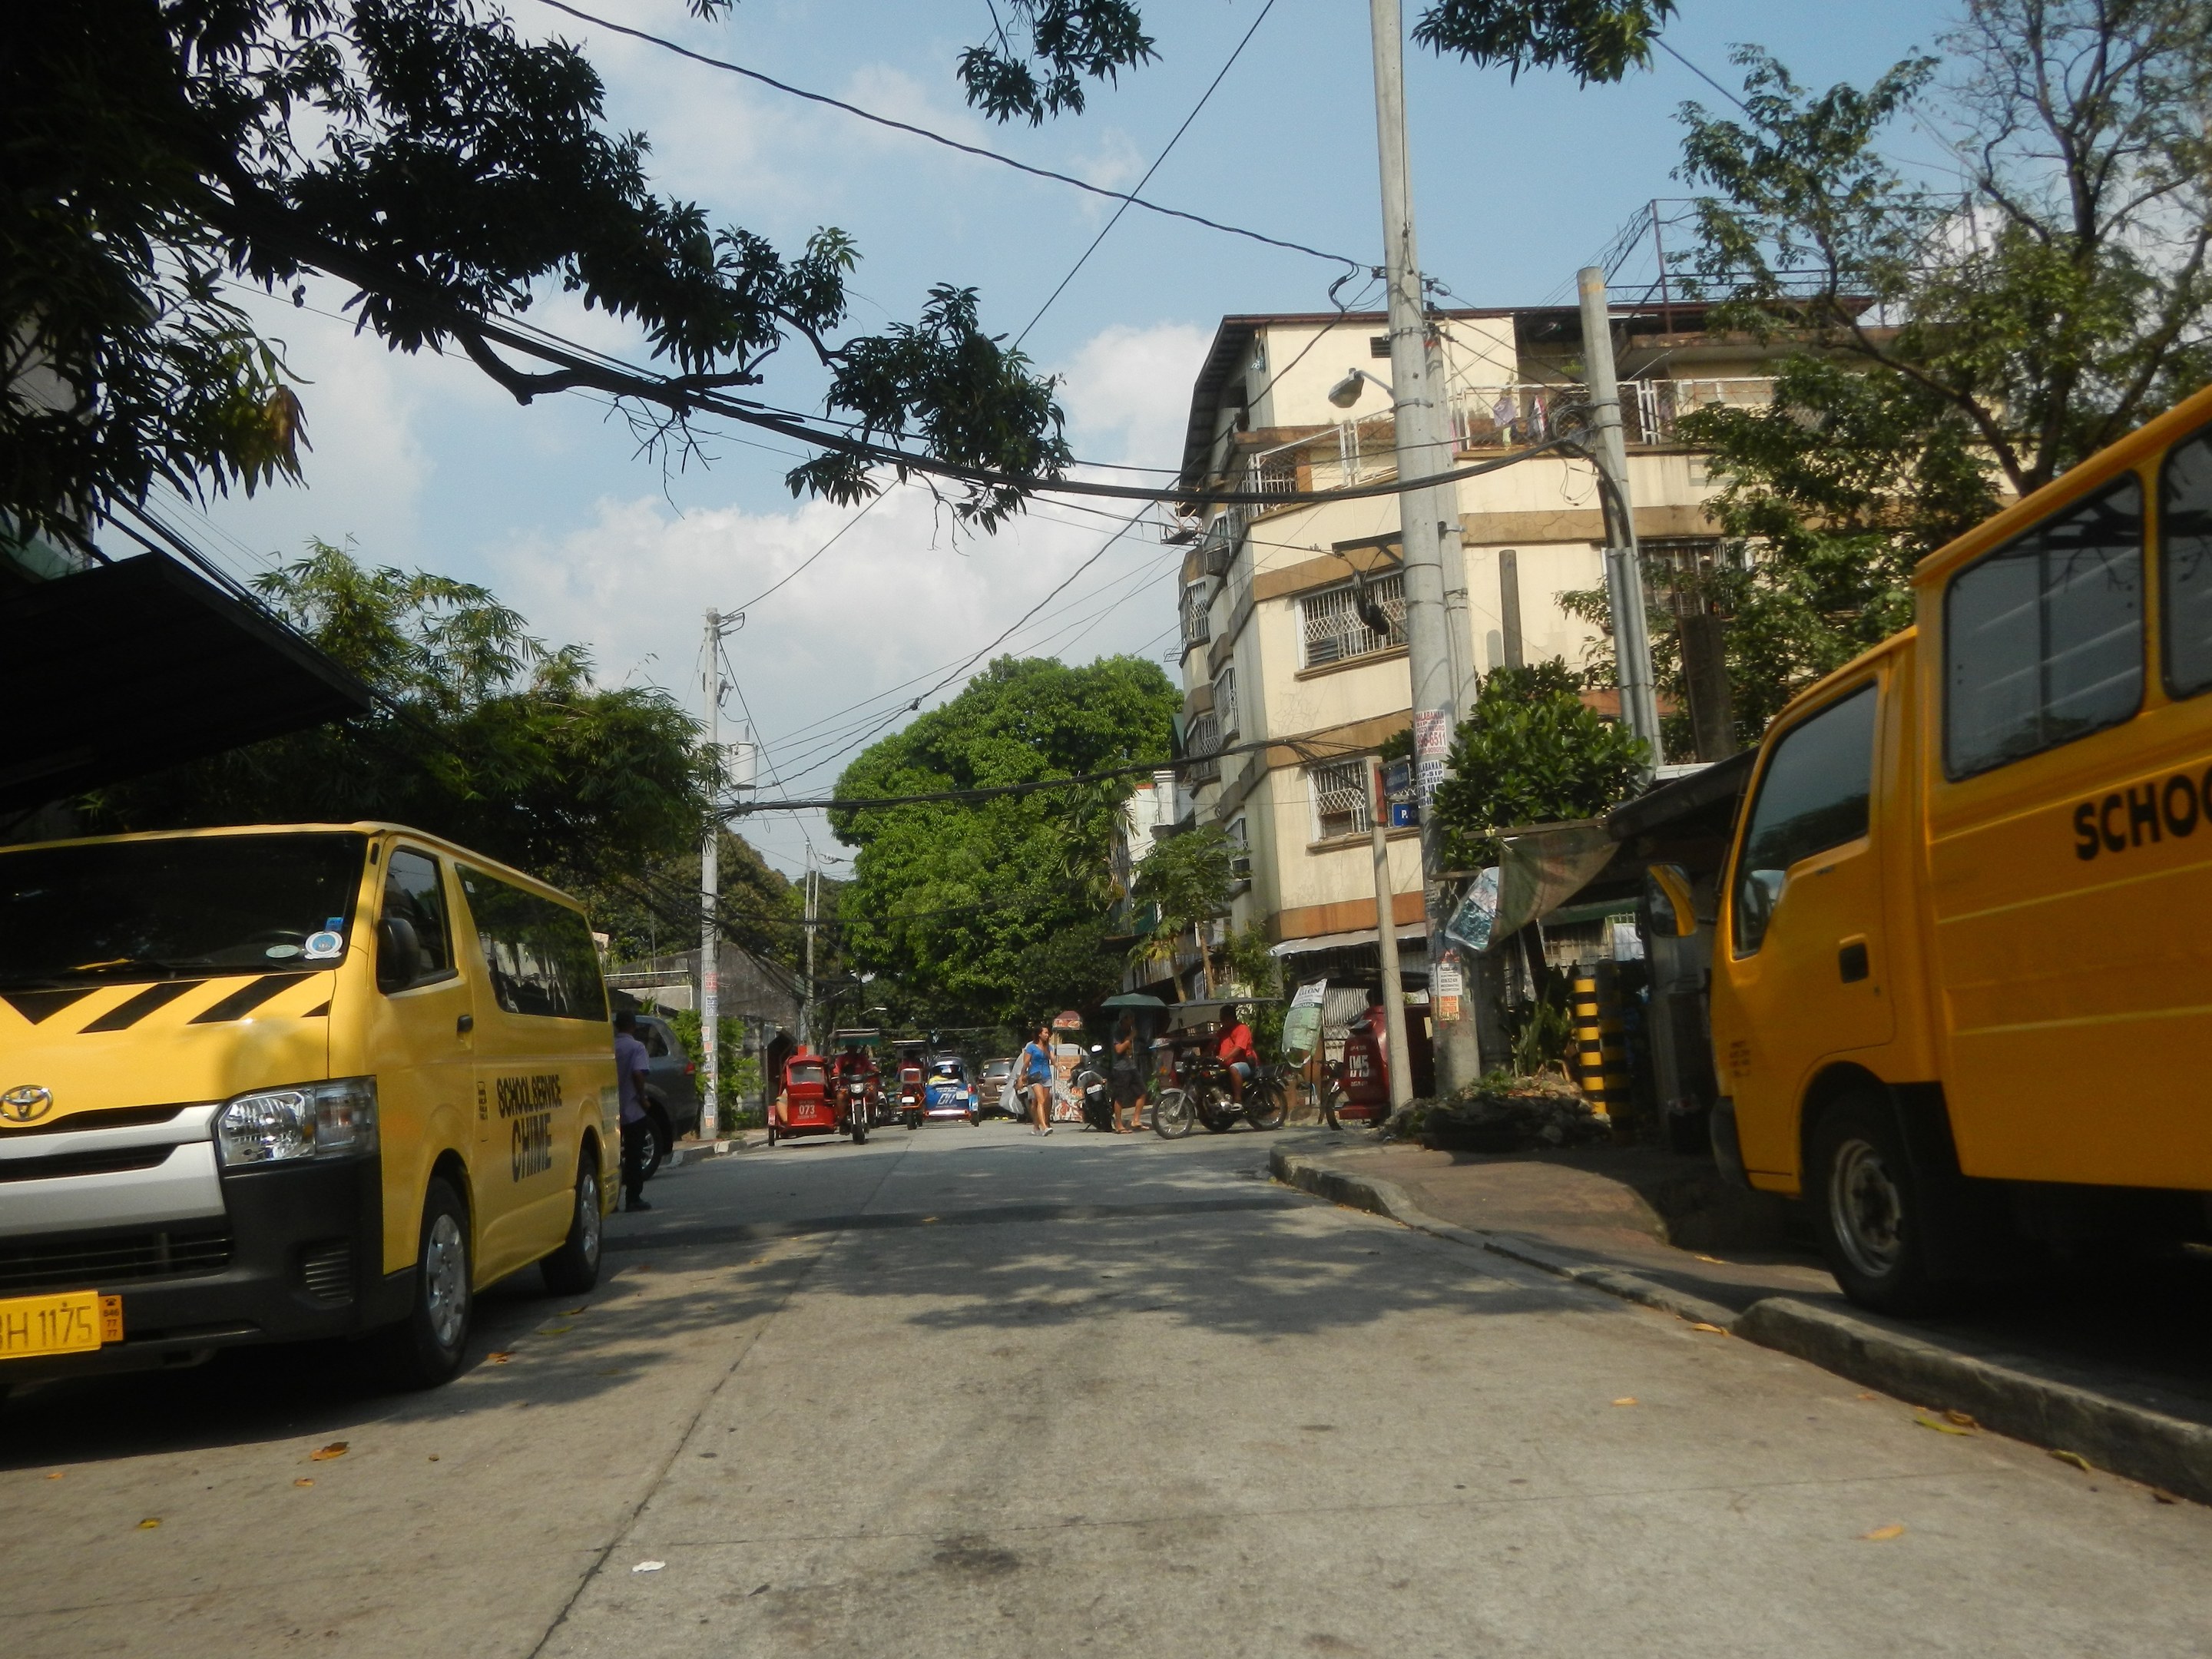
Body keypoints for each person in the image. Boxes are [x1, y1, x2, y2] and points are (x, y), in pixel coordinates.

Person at [613, 1010, 654, 1211]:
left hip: (609, 1110)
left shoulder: (609, 1047)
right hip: (632, 1110)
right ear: (633, 1026)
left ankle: (610, 1201)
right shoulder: (636, 1047)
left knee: (612, 1157)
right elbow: (638, 1073)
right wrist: (642, 1097)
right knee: (633, 1154)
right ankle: (633, 1197)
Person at [1111, 1012, 1147, 1133]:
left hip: (1132, 1067)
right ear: (1124, 1019)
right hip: (1121, 1069)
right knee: (1120, 1097)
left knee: (1142, 1092)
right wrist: (1129, 1039)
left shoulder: (1132, 1030)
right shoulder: (1117, 1032)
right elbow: (1119, 1049)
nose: (1132, 1020)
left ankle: (1136, 1120)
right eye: (1130, 1018)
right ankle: (1119, 1124)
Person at [1217, 1002, 1257, 1104]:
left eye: (1223, 1019)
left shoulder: (1242, 1029)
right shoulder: (1222, 1032)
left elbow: (1238, 1047)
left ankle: (1238, 1100)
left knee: (1234, 1068)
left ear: (1231, 1017)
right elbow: (1213, 1044)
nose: (1221, 1021)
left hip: (1247, 1064)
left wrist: (1225, 1058)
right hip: (1226, 1065)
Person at [1019, 1023, 1055, 1136]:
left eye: (1048, 1033)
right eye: (1045, 1033)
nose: (1047, 1035)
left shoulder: (1049, 1047)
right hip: (1035, 1076)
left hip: (1046, 1076)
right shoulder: (1031, 1047)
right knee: (1040, 1101)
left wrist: (1059, 1066)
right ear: (1039, 1034)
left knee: (1044, 1102)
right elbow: (1025, 1063)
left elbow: (1053, 1059)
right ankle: (1044, 1127)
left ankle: (1036, 1126)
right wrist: (1021, 1077)